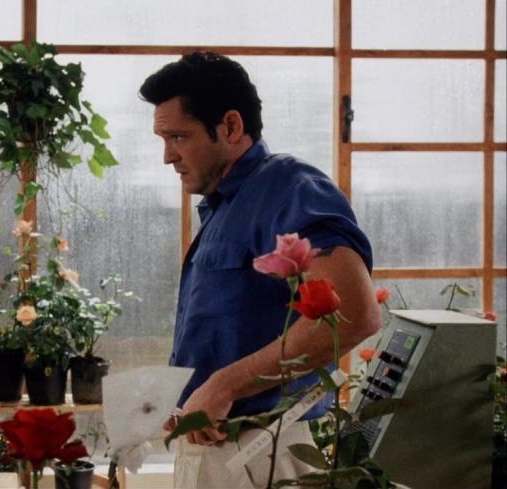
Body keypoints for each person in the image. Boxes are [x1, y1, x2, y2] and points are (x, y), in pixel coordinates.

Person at [139, 53, 381, 488]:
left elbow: (353, 313)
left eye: (178, 136)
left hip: (260, 452)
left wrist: (224, 386)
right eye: (164, 139)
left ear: (231, 126)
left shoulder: (291, 189)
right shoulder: (226, 205)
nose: (167, 156)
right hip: (218, 450)